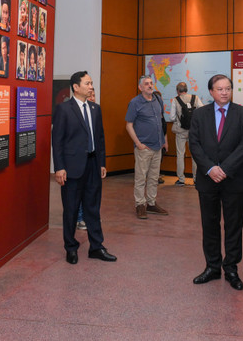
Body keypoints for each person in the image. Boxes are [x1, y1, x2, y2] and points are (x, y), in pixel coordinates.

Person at [189, 74, 243, 291]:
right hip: (207, 179)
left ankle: (232, 268)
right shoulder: (199, 115)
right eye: (220, 89)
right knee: (210, 224)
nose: (224, 92)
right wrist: (210, 168)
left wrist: (224, 169)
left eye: (228, 88)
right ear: (211, 92)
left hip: (233, 179)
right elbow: (194, 144)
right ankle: (212, 266)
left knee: (234, 225)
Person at [52, 70, 116, 264]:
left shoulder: (96, 109)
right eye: (87, 83)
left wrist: (102, 163)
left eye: (91, 83)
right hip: (72, 168)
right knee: (71, 209)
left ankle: (96, 247)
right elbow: (58, 141)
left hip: (93, 165)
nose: (91, 87)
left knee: (92, 208)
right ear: (75, 87)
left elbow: (100, 138)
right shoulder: (64, 110)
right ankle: (70, 247)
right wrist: (59, 167)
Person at [125, 75, 169, 219]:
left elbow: (161, 122)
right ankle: (140, 204)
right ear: (140, 87)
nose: (150, 86)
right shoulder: (135, 103)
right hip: (144, 148)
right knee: (140, 178)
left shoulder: (158, 100)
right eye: (146, 84)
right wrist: (138, 144)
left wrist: (163, 140)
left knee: (153, 177)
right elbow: (129, 125)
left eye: (151, 83)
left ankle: (151, 203)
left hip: (157, 147)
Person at [170, 82, 203, 186]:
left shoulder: (176, 100)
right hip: (193, 131)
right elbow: (202, 111)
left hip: (180, 131)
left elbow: (171, 117)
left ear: (177, 91)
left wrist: (178, 120)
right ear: (187, 89)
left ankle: (181, 179)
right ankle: (196, 178)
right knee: (194, 155)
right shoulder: (195, 98)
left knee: (180, 154)